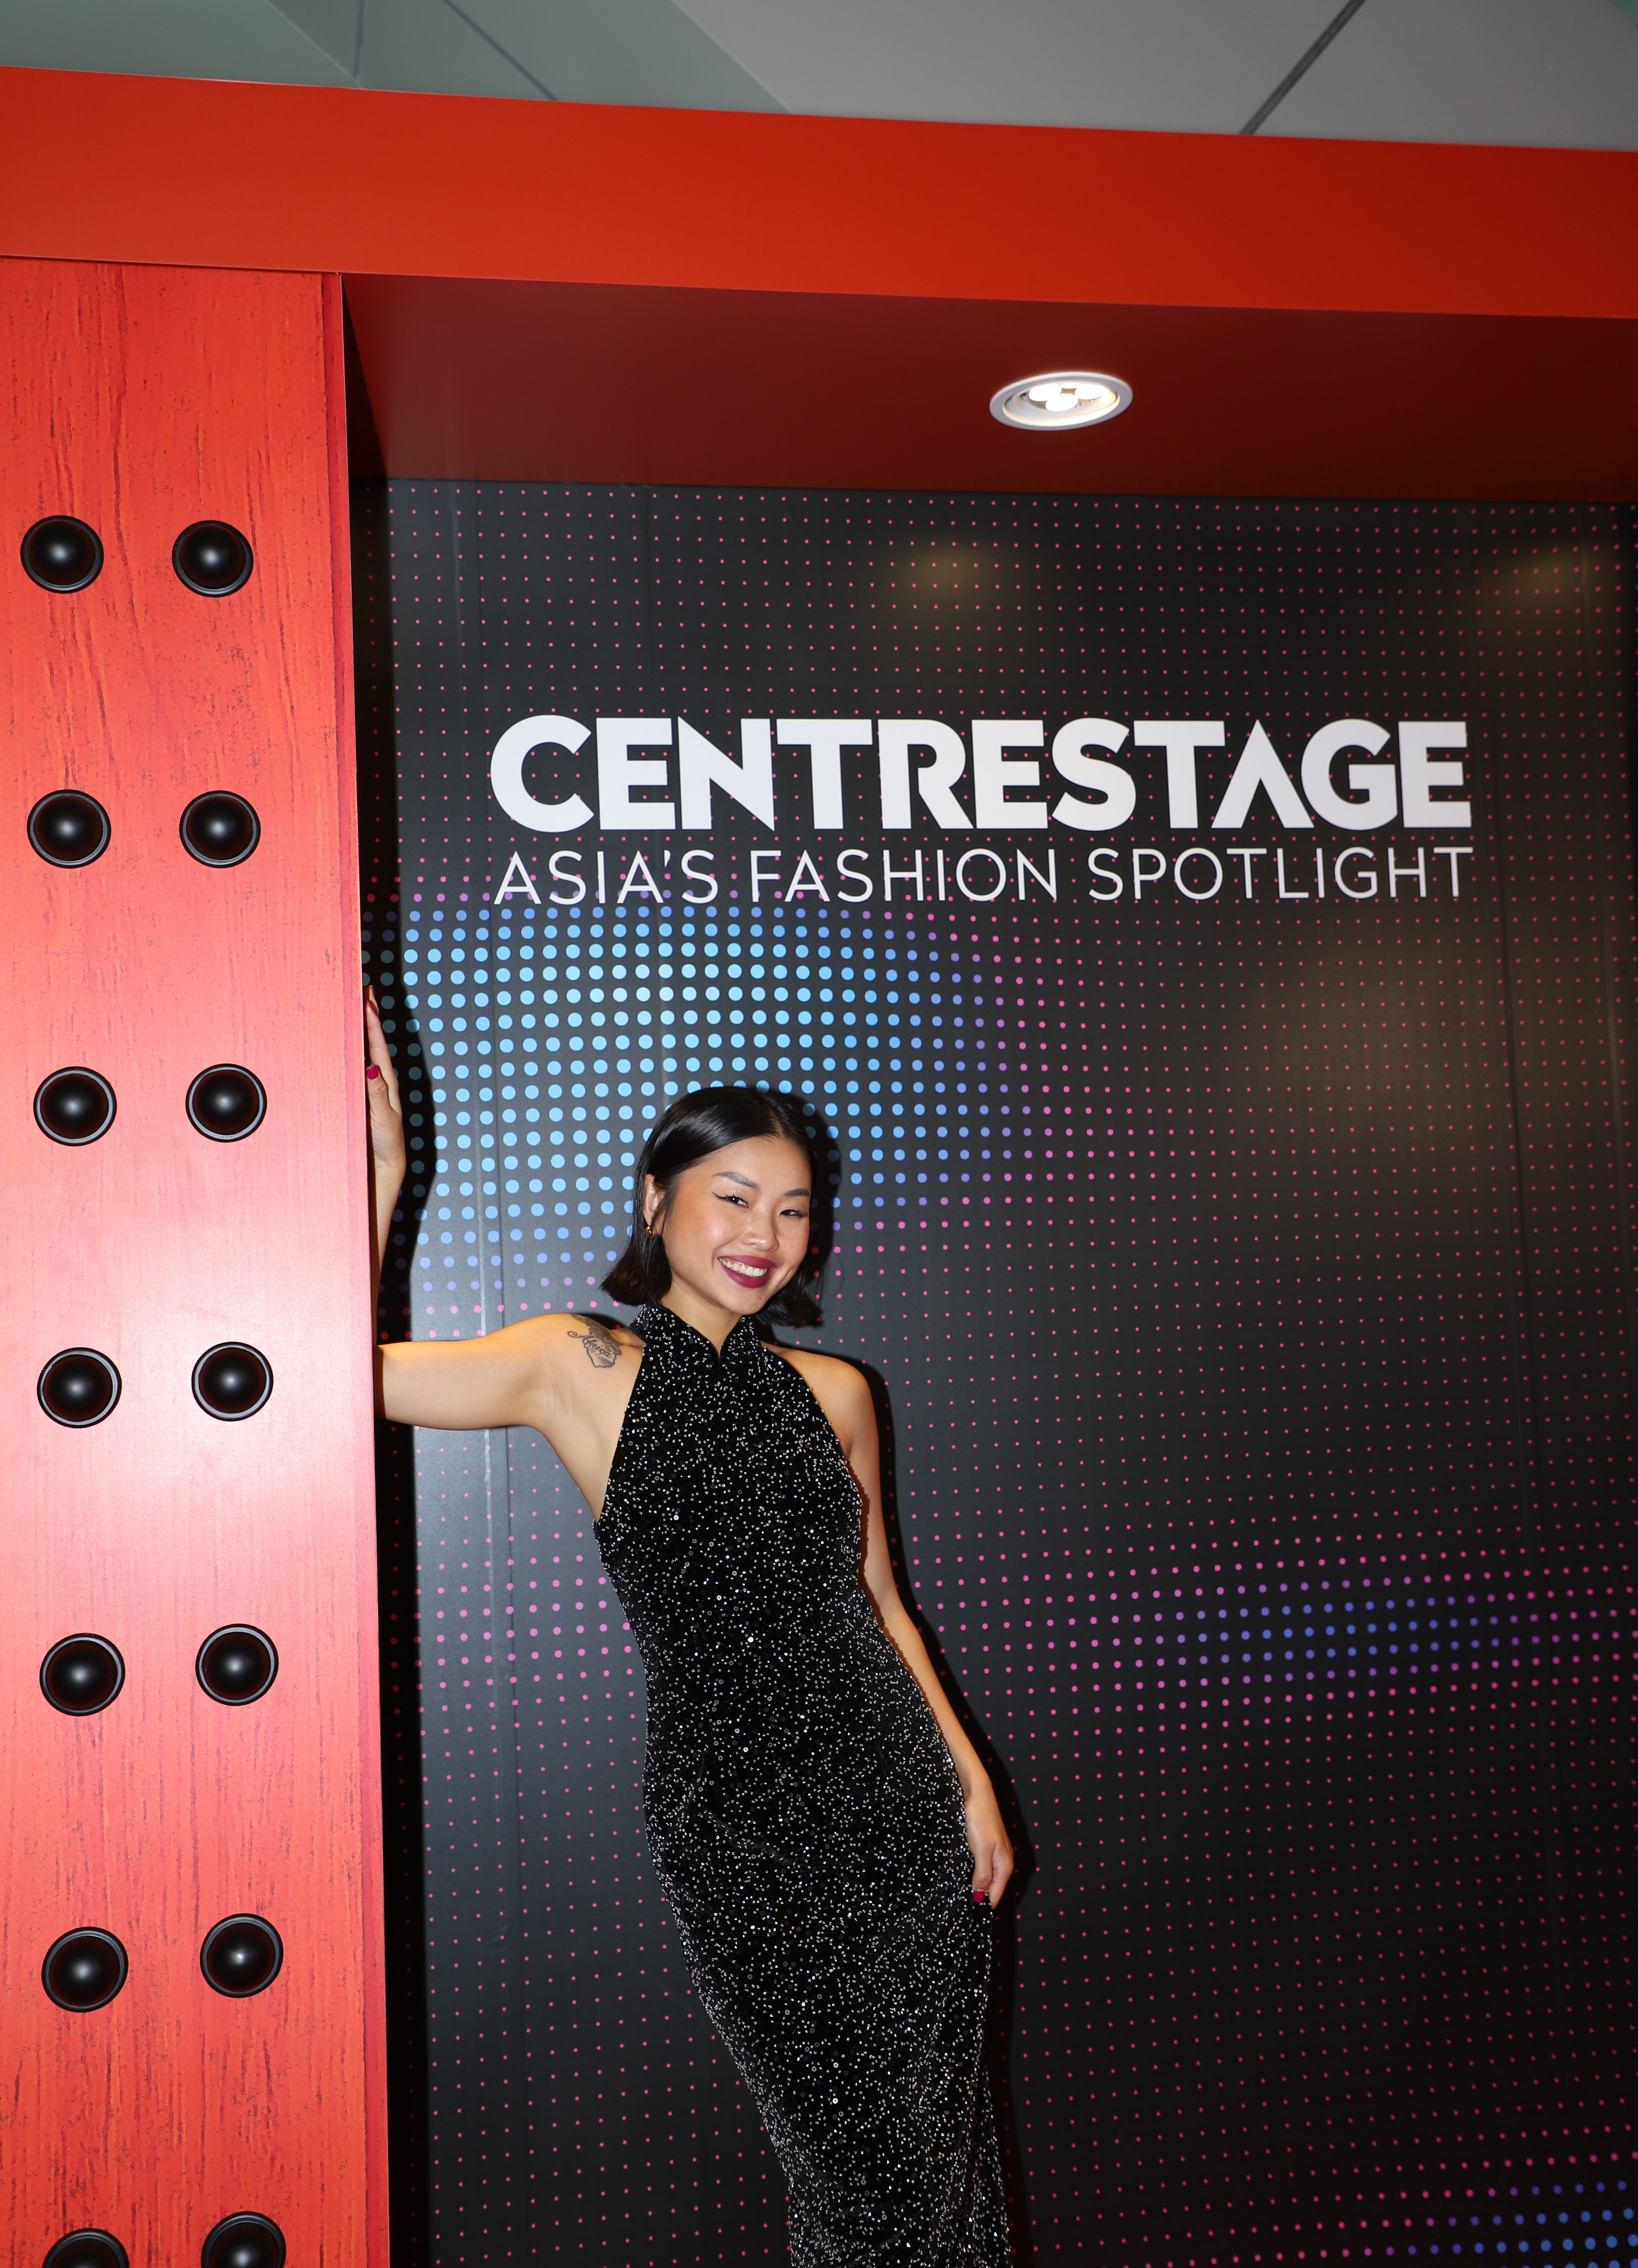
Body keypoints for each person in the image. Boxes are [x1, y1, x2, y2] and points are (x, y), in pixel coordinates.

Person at [365, 999, 1015, 2265]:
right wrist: (387, 1182)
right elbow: (342, 1375)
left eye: (793, 1208)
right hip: (744, 1826)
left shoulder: (835, 1391)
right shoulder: (576, 1365)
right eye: (733, 1197)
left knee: (941, 2167)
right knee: (857, 2170)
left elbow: (880, 1602)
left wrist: (972, 1784)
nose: (764, 1235)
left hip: (903, 1813)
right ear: (657, 1199)